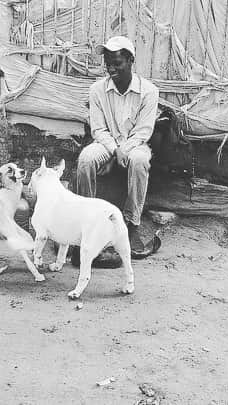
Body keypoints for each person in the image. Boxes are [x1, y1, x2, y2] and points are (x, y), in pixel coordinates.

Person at [76, 36, 159, 258]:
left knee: (140, 161)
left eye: (117, 63)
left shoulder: (149, 91)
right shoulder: (97, 90)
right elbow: (99, 130)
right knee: (86, 159)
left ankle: (132, 225)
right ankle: (87, 221)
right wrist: (115, 151)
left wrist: (124, 150)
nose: (111, 68)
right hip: (107, 143)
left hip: (136, 144)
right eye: (108, 63)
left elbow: (144, 131)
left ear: (131, 60)